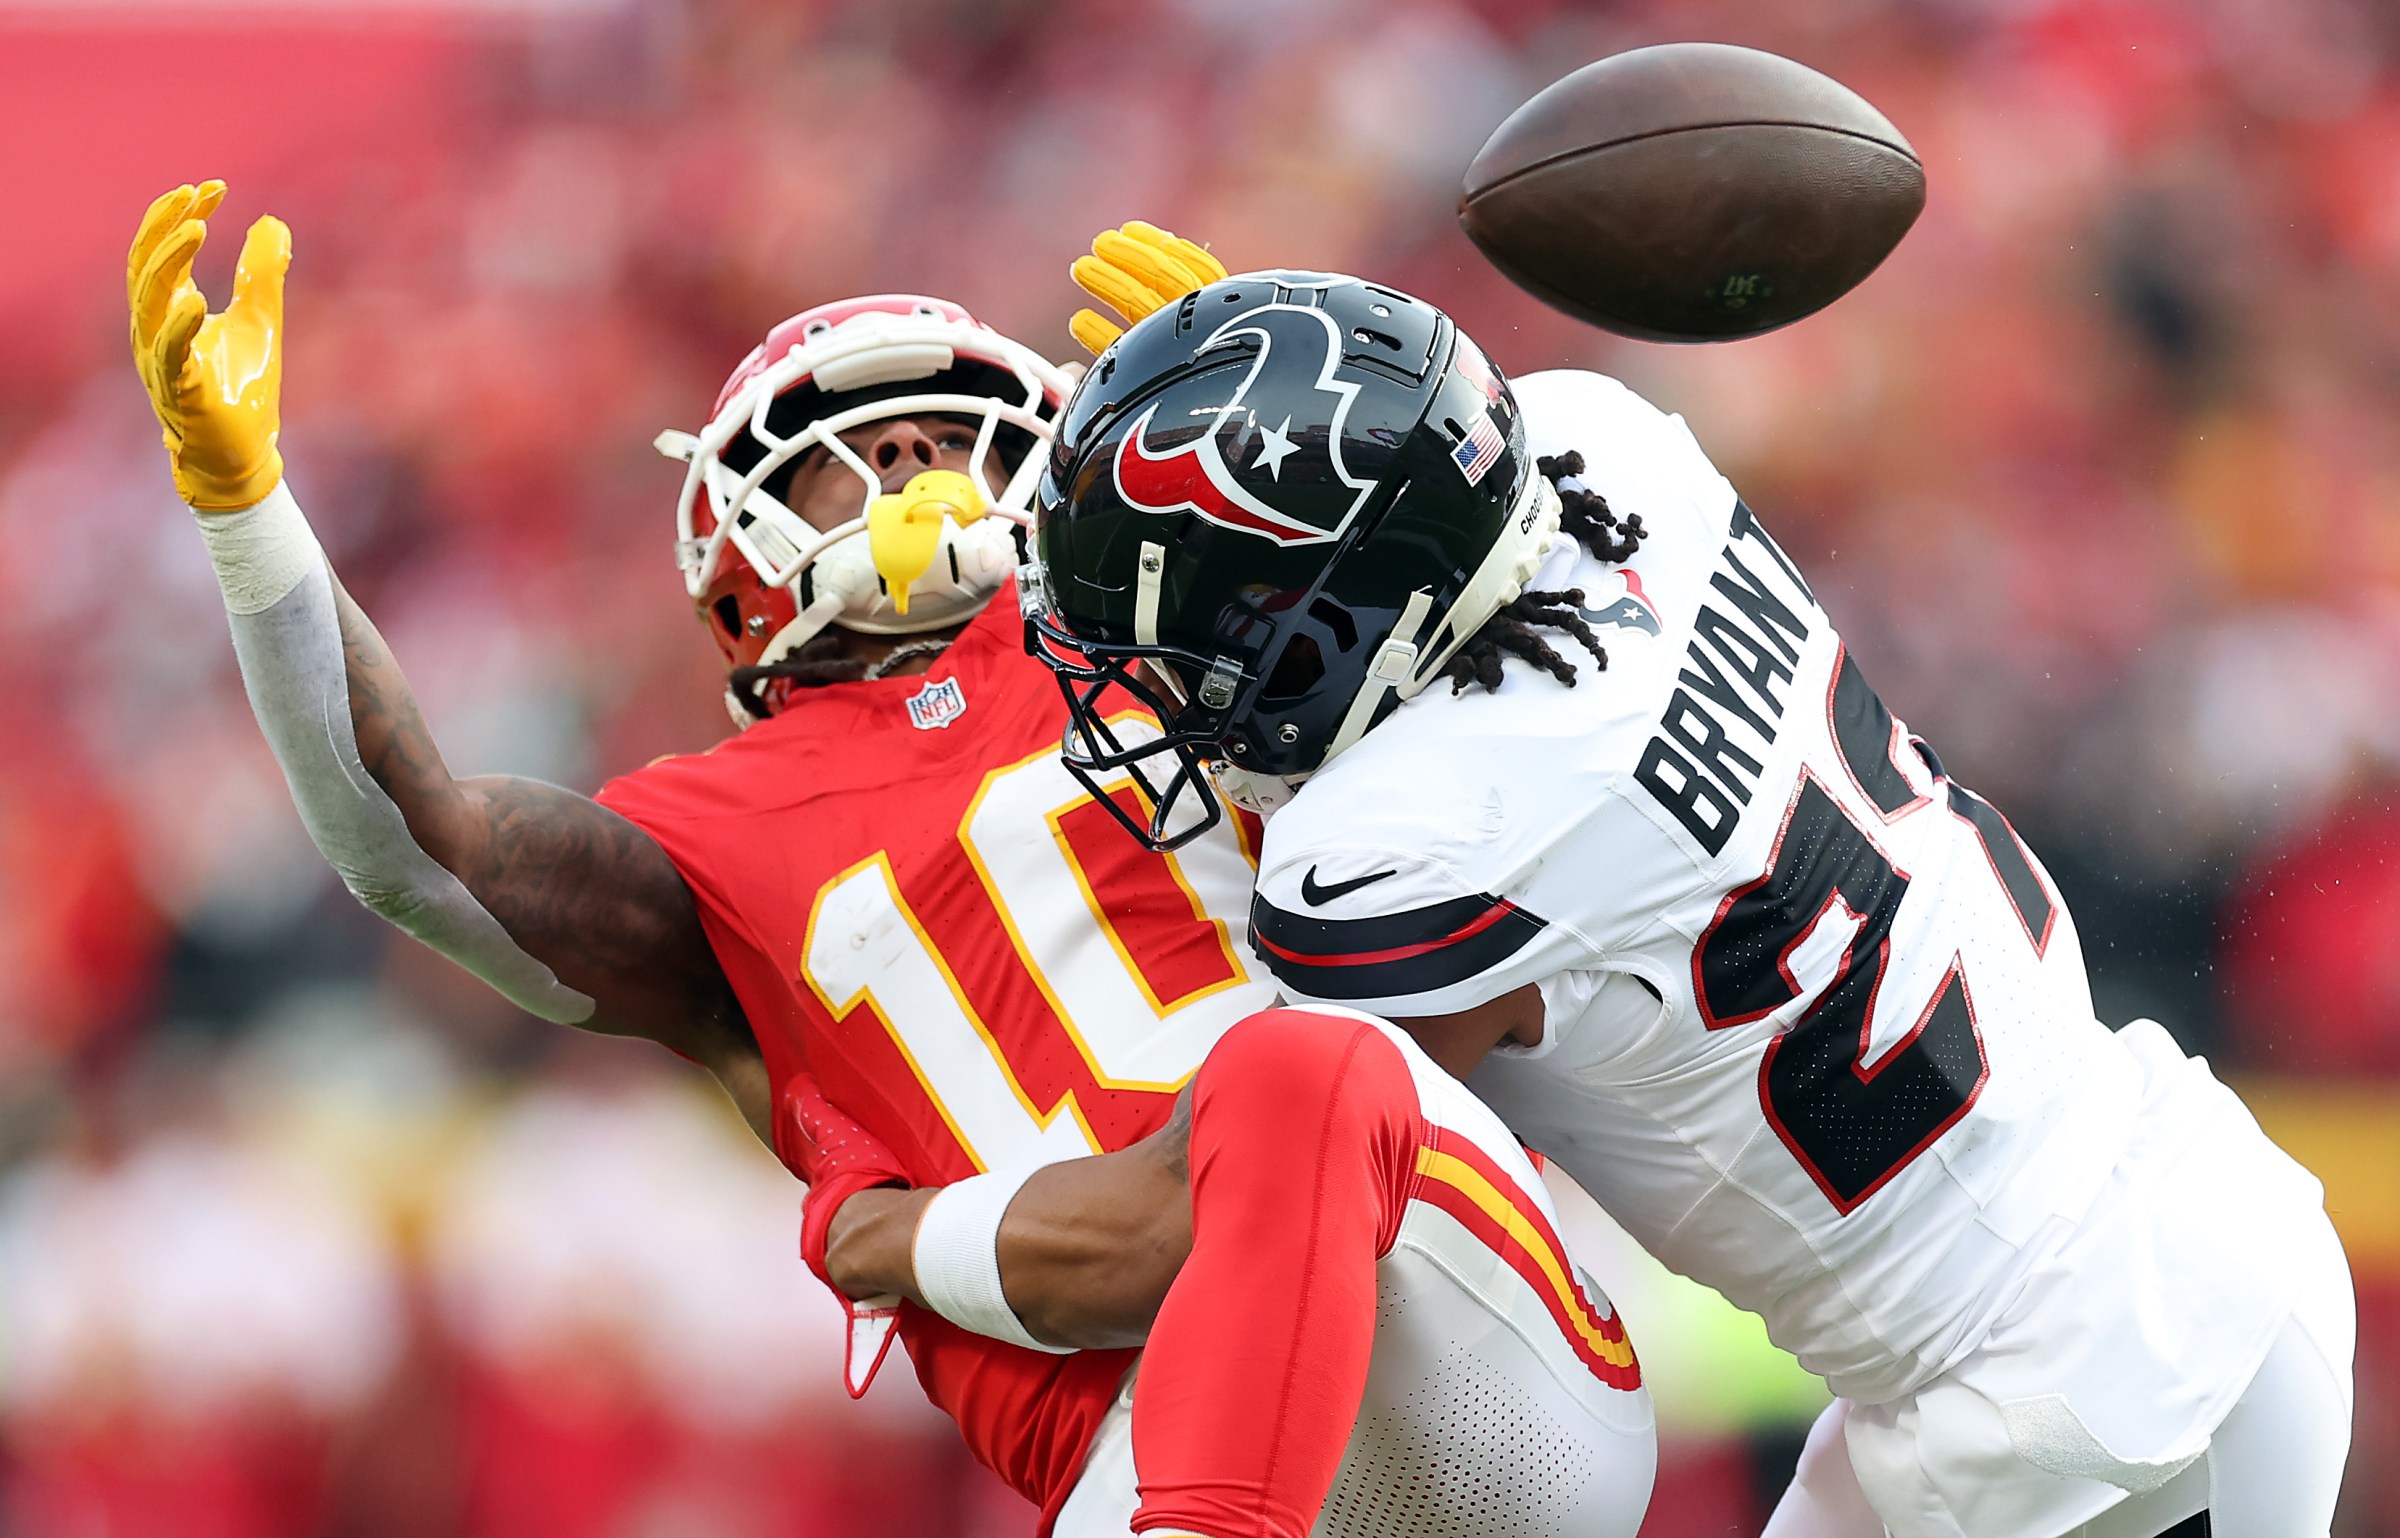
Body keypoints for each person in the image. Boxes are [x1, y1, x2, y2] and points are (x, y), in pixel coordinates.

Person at [125, 183, 1654, 1538]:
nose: (918, 467)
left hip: (1453, 1318)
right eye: (851, 452)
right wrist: (250, 521)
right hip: (1138, 1441)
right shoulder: (709, 833)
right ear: (740, 539)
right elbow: (418, 841)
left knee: (1304, 1082)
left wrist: (1292, 444)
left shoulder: (1182, 635)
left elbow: (1508, 650)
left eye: (956, 435)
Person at [1015, 263, 2357, 1538]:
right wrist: (1287, 420)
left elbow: (1218, 1203)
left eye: (1190, 656)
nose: (1165, 699)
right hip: (2183, 1206)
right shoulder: (1610, 451)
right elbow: (1430, 481)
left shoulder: (1402, 849)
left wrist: (896, 1240)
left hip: (2065, 1413)